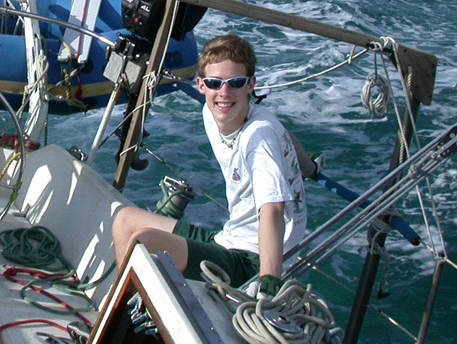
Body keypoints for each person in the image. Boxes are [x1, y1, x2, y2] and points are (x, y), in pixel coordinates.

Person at [111, 33, 309, 297]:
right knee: (125, 219)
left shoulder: (258, 138)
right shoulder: (214, 113)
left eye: (235, 83)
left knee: (145, 240)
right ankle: (123, 305)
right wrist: (309, 168)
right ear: (201, 85)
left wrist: (269, 282)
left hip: (253, 259)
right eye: (215, 83)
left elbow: (272, 209)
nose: (224, 93)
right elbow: (288, 137)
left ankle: (125, 314)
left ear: (251, 84)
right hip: (230, 237)